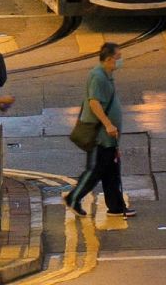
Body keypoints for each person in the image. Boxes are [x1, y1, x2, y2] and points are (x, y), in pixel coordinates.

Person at [65, 42, 134, 219]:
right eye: (118, 58)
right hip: (100, 135)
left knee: (111, 171)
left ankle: (116, 207)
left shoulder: (106, 75)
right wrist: (108, 124)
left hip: (108, 136)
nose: (120, 61)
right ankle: (73, 198)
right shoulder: (98, 76)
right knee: (95, 170)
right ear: (110, 59)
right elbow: (94, 102)